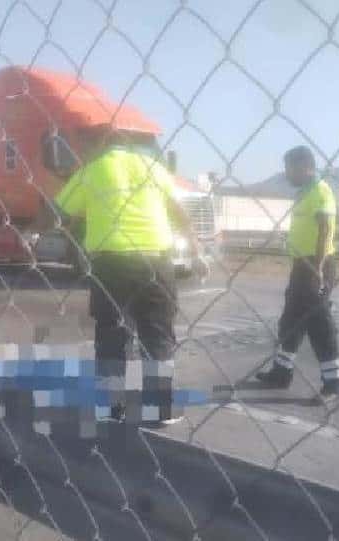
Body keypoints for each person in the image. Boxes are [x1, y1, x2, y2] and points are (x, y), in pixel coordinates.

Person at [40, 127, 208, 425]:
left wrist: (30, 230)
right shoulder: (153, 168)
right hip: (157, 261)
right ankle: (161, 407)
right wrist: (195, 251)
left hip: (112, 263)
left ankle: (109, 405)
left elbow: (57, 211)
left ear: (99, 143)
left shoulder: (93, 170)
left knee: (112, 334)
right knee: (157, 332)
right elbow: (178, 212)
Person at [256, 146, 339, 402]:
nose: (287, 174)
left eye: (290, 169)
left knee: (320, 325)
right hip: (300, 266)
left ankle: (333, 384)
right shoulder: (304, 193)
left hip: (317, 265)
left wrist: (318, 267)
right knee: (290, 321)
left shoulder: (321, 191)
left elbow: (326, 230)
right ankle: (281, 373)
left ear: (305, 167)